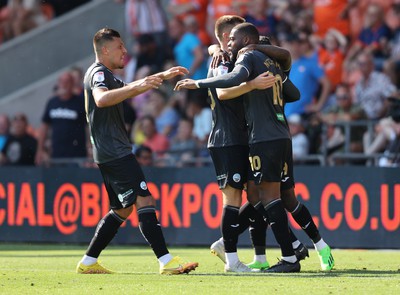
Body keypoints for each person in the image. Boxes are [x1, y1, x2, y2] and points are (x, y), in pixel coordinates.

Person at [175, 22, 335, 272]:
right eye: (227, 40)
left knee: (268, 198)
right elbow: (293, 93)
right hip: (279, 135)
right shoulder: (262, 62)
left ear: (243, 40)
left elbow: (229, 85)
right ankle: (275, 253)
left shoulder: (248, 58)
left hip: (259, 137)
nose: (229, 44)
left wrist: (197, 84)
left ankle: (288, 257)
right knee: (265, 196)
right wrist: (273, 80)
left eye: (233, 39)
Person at [76, 28, 198, 275]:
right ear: (105, 49)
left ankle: (88, 262)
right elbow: (102, 99)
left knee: (121, 209)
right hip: (115, 150)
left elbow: (129, 87)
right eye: (120, 46)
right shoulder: (99, 73)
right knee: (144, 199)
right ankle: (165, 261)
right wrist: (139, 86)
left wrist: (161, 76)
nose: (125, 51)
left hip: (107, 150)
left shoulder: (103, 74)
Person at [35, 71, 88, 166]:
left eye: (67, 82)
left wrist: (91, 148)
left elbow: (89, 127)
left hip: (77, 155)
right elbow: (44, 127)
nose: (64, 85)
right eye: (62, 82)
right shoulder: (52, 102)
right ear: (58, 83)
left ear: (72, 84)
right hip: (56, 154)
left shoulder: (80, 102)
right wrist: (40, 150)